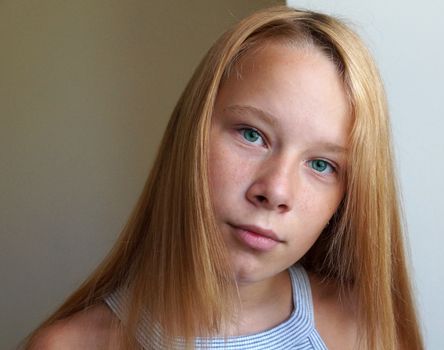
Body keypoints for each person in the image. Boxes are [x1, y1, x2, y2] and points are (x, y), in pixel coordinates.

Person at [24, 6, 423, 350]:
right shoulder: (69, 345)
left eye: (321, 165)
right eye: (252, 135)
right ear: (190, 134)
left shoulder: (366, 332)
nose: (276, 191)